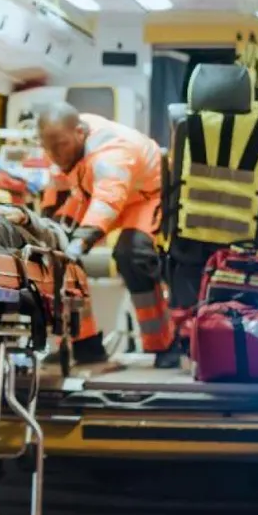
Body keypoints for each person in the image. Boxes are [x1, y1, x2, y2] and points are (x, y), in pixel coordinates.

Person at [35, 103, 182, 368]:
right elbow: (56, 194)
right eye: (49, 148)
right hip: (94, 193)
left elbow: (107, 202)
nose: (55, 155)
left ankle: (164, 344)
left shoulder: (113, 152)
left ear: (80, 133)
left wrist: (78, 245)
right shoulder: (61, 139)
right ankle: (84, 345)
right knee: (56, 254)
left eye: (60, 146)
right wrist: (47, 234)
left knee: (132, 255)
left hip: (144, 197)